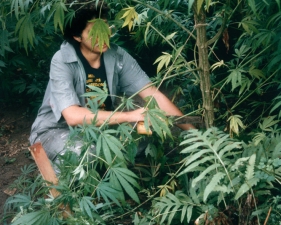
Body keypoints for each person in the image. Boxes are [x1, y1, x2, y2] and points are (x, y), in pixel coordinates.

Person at [29, 0, 195, 164]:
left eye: (106, 27)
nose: (104, 35)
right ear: (77, 36)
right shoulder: (62, 60)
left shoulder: (117, 55)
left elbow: (152, 94)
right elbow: (72, 116)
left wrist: (197, 138)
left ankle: (111, 170)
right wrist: (129, 116)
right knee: (84, 153)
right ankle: (62, 183)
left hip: (99, 129)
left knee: (145, 138)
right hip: (57, 130)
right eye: (95, 32)